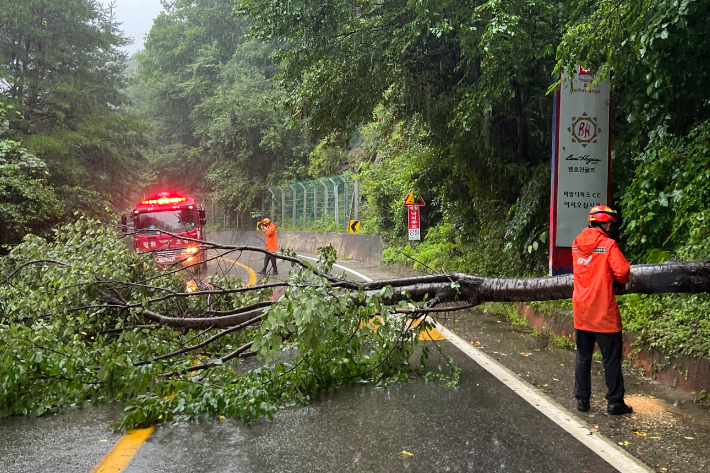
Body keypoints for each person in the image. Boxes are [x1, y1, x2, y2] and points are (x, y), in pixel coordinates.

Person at [572, 205, 632, 415]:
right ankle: (615, 402)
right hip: (603, 312)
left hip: (581, 310)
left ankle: (582, 400)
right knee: (611, 358)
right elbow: (623, 272)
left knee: (583, 356)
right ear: (606, 224)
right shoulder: (608, 245)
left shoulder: (576, 245)